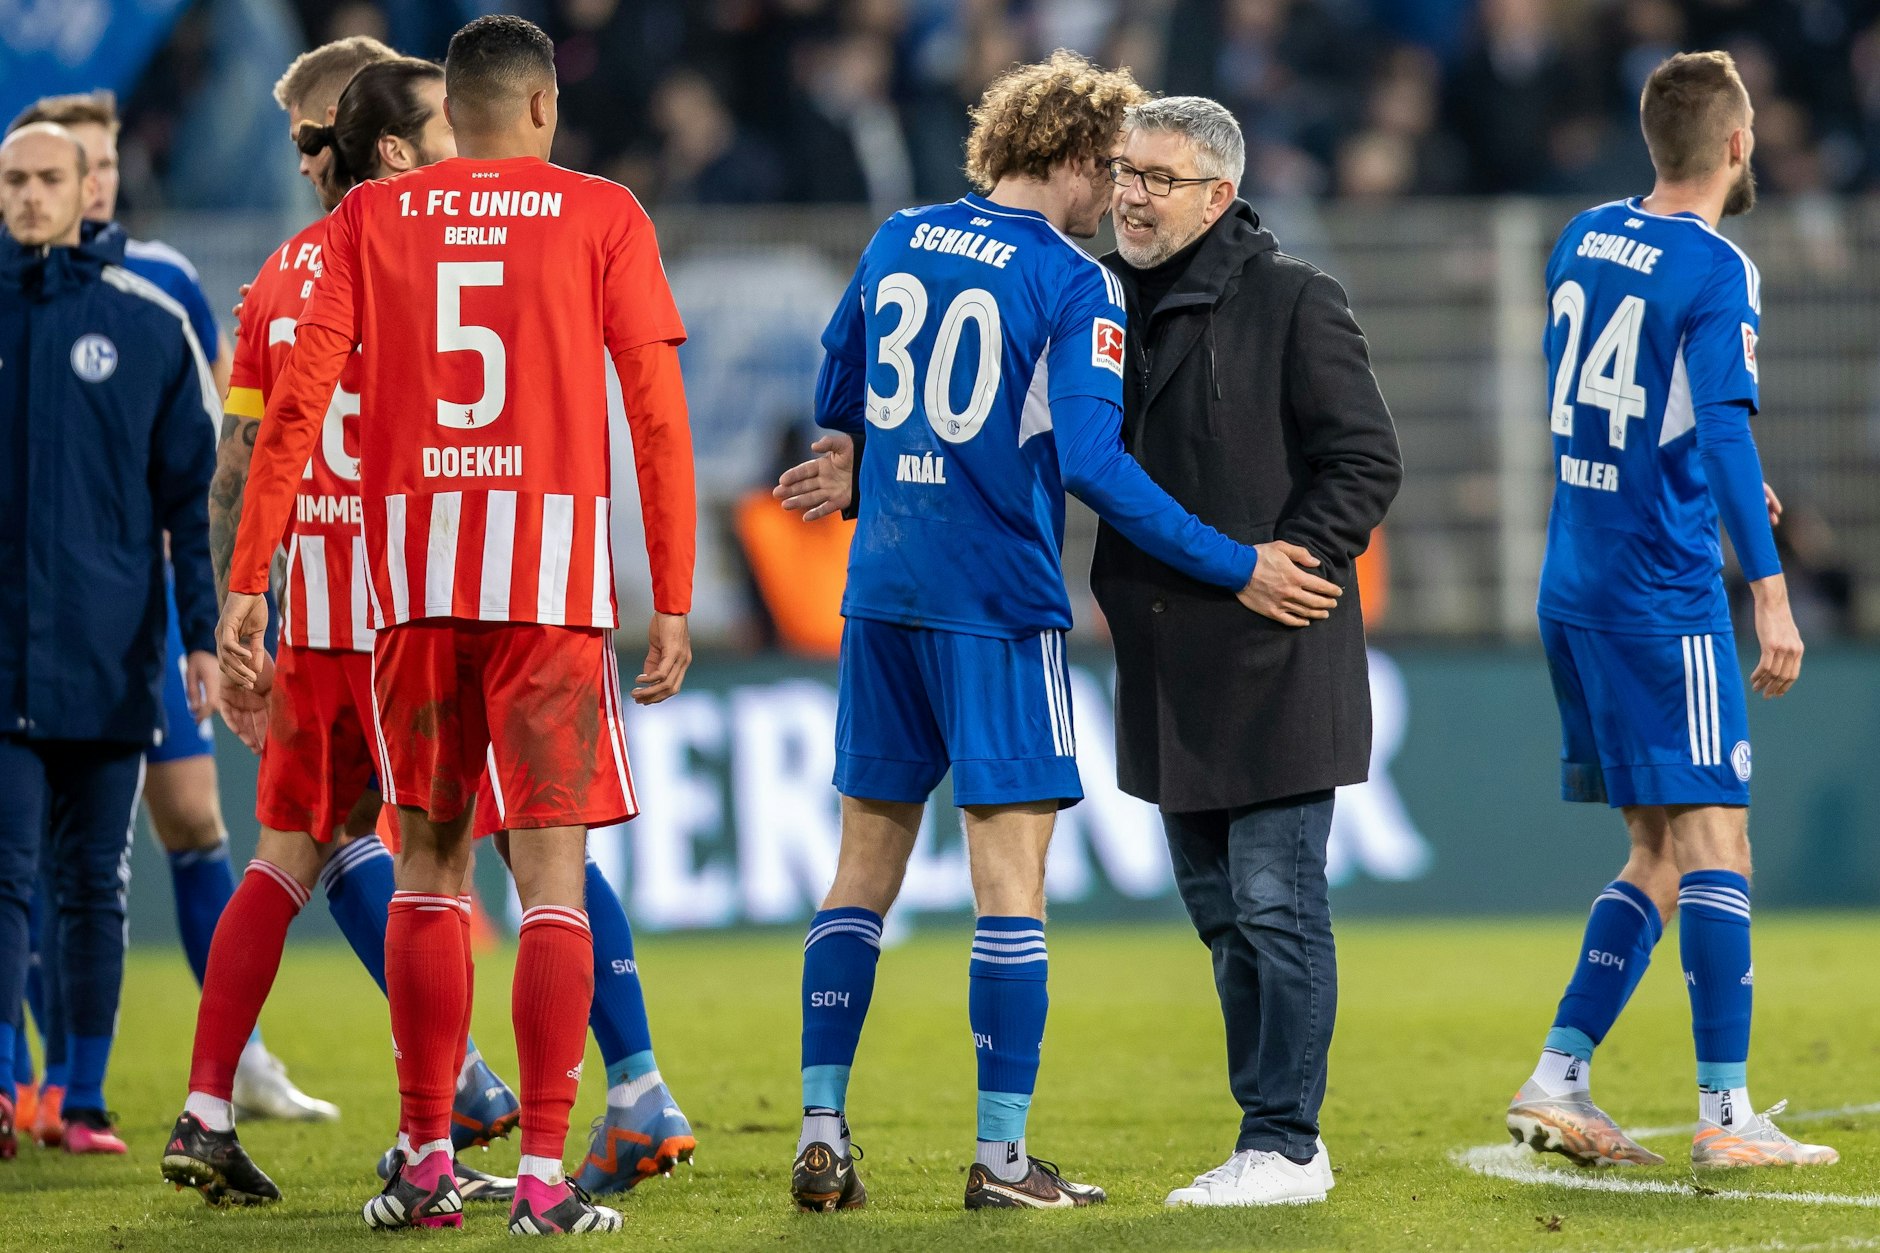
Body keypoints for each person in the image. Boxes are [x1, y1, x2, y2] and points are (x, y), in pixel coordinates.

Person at [219, 14, 696, 1235]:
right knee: (550, 879)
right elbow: (654, 411)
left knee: (426, 867)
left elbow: (294, 408)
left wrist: (249, 577)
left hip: (412, 590)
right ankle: (540, 1176)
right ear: (540, 106)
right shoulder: (603, 213)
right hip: (550, 589)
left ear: (454, 111)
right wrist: (674, 593)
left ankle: (427, 1157)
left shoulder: (366, 221)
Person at [777, 53, 1269, 1214]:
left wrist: (861, 457)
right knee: (1009, 886)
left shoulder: (898, 236)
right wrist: (1234, 560)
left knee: (859, 873)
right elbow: (1092, 463)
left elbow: (838, 386)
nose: (1120, 195)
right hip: (996, 603)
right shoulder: (1071, 281)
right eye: (1114, 169)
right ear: (1071, 158)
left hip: (880, 594)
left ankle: (820, 1131)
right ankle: (1001, 1159)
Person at [160, 53, 526, 1210]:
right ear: (396, 149)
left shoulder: (277, 277)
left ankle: (206, 1105)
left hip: (310, 611)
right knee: (442, 866)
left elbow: (238, 463)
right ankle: (439, 1135)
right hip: (418, 605)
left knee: (284, 858)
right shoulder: (448, 253)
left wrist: (239, 604)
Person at [1506, 50, 1834, 1170]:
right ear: (1737, 143)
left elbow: (1618, 403)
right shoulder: (1718, 267)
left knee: (1654, 846)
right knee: (1716, 839)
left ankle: (1557, 1075)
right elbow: (1722, 425)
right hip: (1660, 591)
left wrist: (1702, 473)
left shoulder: (1582, 235)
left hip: (1573, 579)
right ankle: (1726, 1113)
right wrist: (1770, 592)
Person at [4, 89, 335, 1132]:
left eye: (93, 167)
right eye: (35, 174)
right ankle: (29, 1074)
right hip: (33, 621)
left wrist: (211, 612)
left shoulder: (162, 292)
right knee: (23, 855)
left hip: (128, 621)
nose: (81, 185)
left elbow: (216, 443)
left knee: (183, 822)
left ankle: (230, 1058)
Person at [1096, 96, 1401, 1207]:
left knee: (1277, 903)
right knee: (1224, 914)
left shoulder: (1293, 298)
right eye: (1124, 171)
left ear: (1218, 195)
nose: (1129, 195)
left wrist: (1290, 565)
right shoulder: (1094, 298)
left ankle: (1286, 1141)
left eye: (1157, 179)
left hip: (1275, 648)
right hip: (1164, 656)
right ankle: (1266, 1135)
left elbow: (1364, 460)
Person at [0, 123, 219, 1158]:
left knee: (95, 880)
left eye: (49, 177)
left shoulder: (148, 322)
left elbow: (193, 500)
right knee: (6, 874)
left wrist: (205, 635)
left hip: (111, 655)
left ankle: (80, 1098)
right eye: (14, 179)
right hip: (4, 660)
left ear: (89, 185)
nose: (31, 195)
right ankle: (7, 1085)